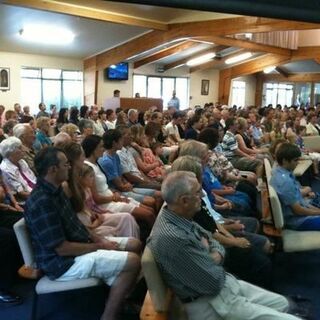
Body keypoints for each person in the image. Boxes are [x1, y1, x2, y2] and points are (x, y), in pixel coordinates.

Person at [148, 171, 300, 320]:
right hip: (212, 302)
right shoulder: (173, 237)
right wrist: (213, 255)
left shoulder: (180, 215)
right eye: (197, 192)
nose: (202, 196)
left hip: (224, 285)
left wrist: (213, 255)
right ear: (184, 200)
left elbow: (211, 238)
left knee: (284, 304)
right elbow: (212, 282)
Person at [24, 147, 141, 320]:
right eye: (65, 164)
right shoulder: (42, 202)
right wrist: (99, 246)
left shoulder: (56, 190)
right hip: (61, 264)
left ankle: (119, 296)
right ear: (52, 169)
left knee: (135, 244)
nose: (69, 168)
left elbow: (75, 224)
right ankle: (110, 315)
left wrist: (96, 237)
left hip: (75, 247)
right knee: (133, 261)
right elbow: (61, 249)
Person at [270, 142, 320, 231]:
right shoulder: (285, 182)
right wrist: (317, 212)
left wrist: (317, 211)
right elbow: (298, 210)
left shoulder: (282, 172)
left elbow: (301, 203)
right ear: (285, 160)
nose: (298, 163)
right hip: (297, 221)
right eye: (295, 160)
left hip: (299, 213)